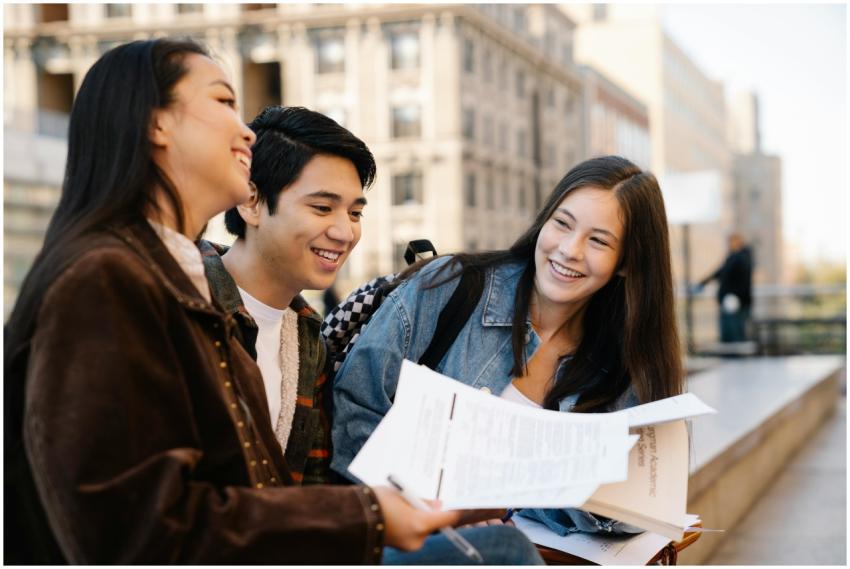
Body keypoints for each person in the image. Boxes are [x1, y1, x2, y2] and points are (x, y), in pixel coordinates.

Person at [3, 39, 541, 564]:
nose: (244, 130)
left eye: (354, 211)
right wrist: (369, 516)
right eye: (223, 101)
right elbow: (137, 534)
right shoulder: (108, 278)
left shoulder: (270, 322)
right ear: (155, 123)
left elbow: (268, 494)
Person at [200, 105, 543, 564]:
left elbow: (316, 492)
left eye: (355, 212)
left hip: (297, 548)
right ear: (251, 201)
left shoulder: (306, 338)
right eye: (322, 207)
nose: (344, 231)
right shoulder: (189, 304)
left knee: (499, 546)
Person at [331, 155, 684, 535]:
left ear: (627, 263)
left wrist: (507, 504)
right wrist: (426, 508)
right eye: (562, 224)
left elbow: (632, 511)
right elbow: (354, 406)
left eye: (598, 241)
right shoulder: (450, 286)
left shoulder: (623, 364)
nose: (569, 249)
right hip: (400, 537)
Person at [696, 232, 754, 343]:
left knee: (735, 332)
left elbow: (743, 281)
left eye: (731, 241)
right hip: (730, 301)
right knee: (729, 332)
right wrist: (703, 283)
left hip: (735, 302)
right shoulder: (733, 257)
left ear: (738, 242)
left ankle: (735, 357)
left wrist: (737, 297)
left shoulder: (742, 258)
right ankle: (732, 356)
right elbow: (719, 272)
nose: (729, 244)